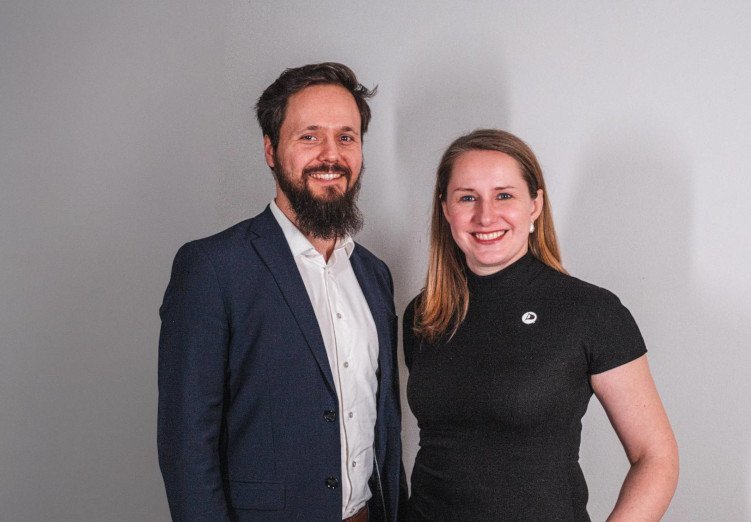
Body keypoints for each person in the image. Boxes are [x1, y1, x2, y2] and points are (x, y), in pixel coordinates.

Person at [158, 62, 404, 521]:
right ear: (271, 150)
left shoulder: (374, 275)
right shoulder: (213, 268)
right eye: (309, 136)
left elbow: (384, 429)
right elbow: (186, 445)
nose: (331, 156)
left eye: (346, 137)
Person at [403, 129, 678, 520]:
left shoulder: (590, 312)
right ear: (446, 209)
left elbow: (656, 456)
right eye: (467, 197)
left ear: (535, 204)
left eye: (504, 195)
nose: (485, 215)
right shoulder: (425, 314)